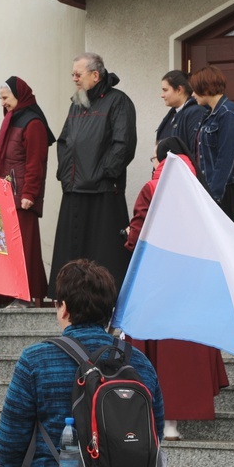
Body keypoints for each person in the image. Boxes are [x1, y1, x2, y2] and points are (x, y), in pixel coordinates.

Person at [0, 259, 164, 467]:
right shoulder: (139, 363)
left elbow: (11, 440)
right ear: (109, 310)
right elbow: (155, 431)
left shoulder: (36, 360)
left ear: (63, 307)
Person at [124, 136, 228, 439]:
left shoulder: (152, 188)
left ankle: (164, 421)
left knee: (159, 350)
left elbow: (138, 233)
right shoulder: (197, 189)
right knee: (184, 349)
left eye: (154, 160)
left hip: (157, 280)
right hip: (193, 280)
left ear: (161, 160)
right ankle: (183, 413)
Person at [49, 52, 137, 298]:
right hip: (75, 190)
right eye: (73, 74)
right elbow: (64, 141)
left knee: (105, 259)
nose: (74, 79)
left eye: (78, 74)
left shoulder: (119, 102)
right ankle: (73, 300)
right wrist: (67, 177)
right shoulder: (77, 103)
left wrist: (104, 173)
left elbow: (124, 144)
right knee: (73, 256)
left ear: (95, 75)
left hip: (103, 191)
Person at [0, 76, 55, 307]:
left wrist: (29, 193)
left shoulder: (33, 123)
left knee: (24, 249)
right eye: (0, 98)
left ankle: (26, 296)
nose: (2, 103)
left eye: (5, 97)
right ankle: (12, 295)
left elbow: (35, 162)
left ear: (19, 96)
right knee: (10, 249)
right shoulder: (12, 120)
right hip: (7, 196)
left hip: (22, 198)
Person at [189, 65, 234, 231]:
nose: (192, 95)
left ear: (205, 88)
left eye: (194, 90)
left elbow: (226, 159)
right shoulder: (209, 114)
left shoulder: (229, 113)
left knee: (231, 242)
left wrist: (214, 197)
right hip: (211, 188)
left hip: (224, 191)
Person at [156, 70, 207, 167]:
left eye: (165, 90)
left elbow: (195, 151)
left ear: (179, 90)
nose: (162, 95)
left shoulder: (195, 113)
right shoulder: (173, 114)